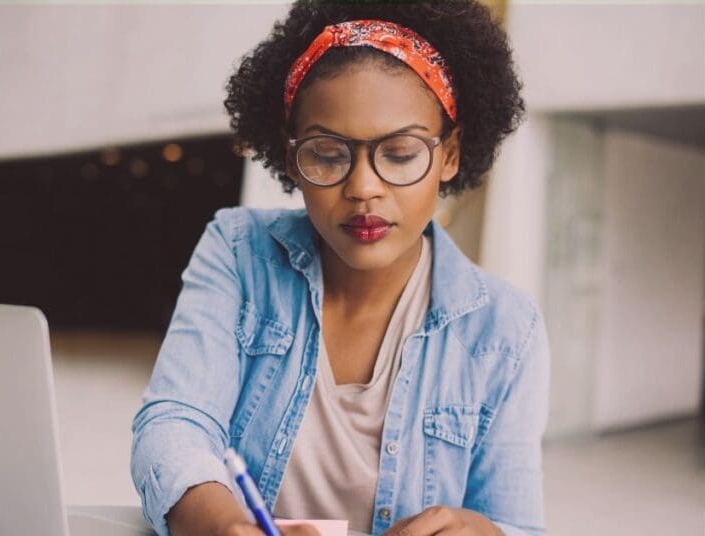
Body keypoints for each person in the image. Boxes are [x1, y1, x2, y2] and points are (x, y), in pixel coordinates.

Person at [130, 1, 548, 535]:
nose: (363, 187)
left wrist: (486, 532)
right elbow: (175, 424)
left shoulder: (506, 331)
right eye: (328, 154)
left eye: (400, 153)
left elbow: (517, 523)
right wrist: (227, 527)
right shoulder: (238, 252)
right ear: (291, 158)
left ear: (449, 154)